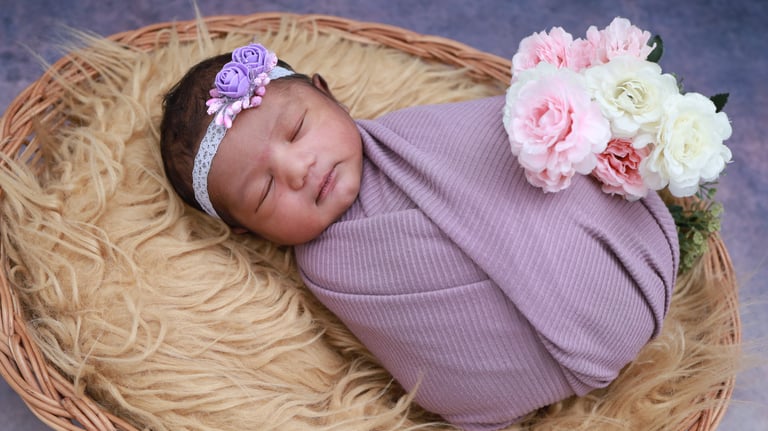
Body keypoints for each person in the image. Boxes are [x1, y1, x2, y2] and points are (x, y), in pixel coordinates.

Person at [160, 43, 678, 431]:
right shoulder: (329, 270)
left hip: (629, 264)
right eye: (265, 189)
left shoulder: (423, 132)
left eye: (297, 130)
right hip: (541, 367)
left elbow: (499, 137)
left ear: (329, 94)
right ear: (248, 230)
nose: (298, 169)